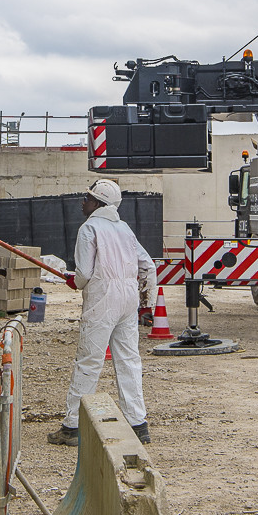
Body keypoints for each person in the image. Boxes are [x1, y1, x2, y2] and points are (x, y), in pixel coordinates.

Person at [47, 179, 156, 447]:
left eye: (87, 198)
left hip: (102, 300)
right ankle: (137, 424)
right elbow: (148, 266)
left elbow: (84, 273)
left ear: (98, 203)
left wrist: (76, 282)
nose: (83, 202)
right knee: (129, 360)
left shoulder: (89, 228)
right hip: (128, 300)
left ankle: (72, 427)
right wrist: (147, 303)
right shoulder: (124, 229)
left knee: (89, 362)